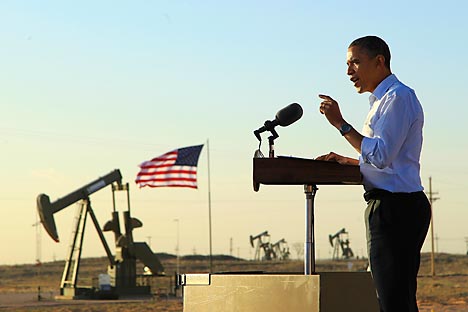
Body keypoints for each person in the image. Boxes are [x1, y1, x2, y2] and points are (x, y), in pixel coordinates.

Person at [316, 35, 431, 312]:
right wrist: (351, 162)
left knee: (393, 302)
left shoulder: (398, 97)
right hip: (393, 205)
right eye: (347, 64)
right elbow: (387, 160)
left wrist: (341, 125)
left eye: (355, 62)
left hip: (396, 208)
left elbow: (381, 155)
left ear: (379, 61)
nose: (348, 71)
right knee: (392, 299)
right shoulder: (380, 101)